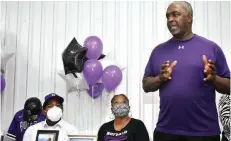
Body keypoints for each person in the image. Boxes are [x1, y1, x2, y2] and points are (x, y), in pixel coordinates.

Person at [142, 1, 230, 141]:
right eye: (168, 16)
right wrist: (160, 78)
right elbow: (146, 85)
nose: (170, 19)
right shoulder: (159, 51)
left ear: (189, 17)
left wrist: (214, 78)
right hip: (166, 131)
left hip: (203, 133)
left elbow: (229, 87)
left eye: (175, 14)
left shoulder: (211, 48)